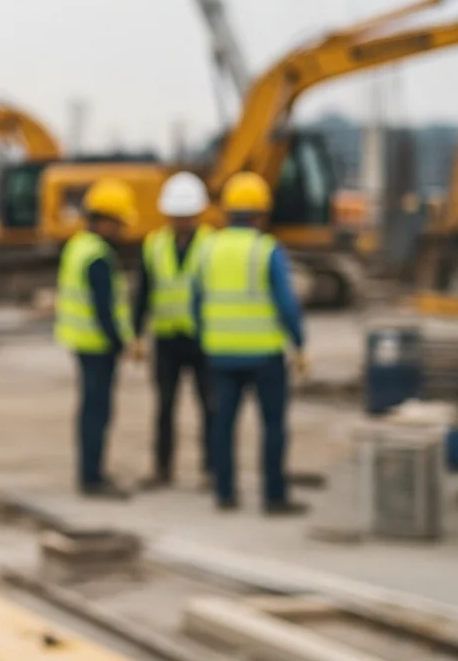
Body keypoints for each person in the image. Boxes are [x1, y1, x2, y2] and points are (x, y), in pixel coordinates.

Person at [194, 172, 310, 515]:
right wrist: (299, 344)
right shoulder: (266, 250)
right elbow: (286, 304)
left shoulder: (208, 249)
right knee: (272, 426)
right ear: (261, 213)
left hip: (220, 354)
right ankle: (274, 496)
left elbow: (196, 301)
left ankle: (225, 492)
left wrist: (208, 338)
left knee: (223, 426)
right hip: (264, 355)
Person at [55, 179, 138, 499]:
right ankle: (92, 477)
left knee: (90, 410)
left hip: (81, 342)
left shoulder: (78, 246)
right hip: (97, 345)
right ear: (104, 220)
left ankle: (90, 472)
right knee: (97, 412)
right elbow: (104, 308)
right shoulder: (98, 256)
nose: (120, 230)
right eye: (117, 223)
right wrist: (121, 344)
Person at [132, 172, 215, 490]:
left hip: (201, 338)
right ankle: (162, 468)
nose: (182, 222)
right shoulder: (154, 245)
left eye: (187, 216)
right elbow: (143, 291)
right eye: (177, 217)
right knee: (165, 407)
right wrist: (137, 333)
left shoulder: (211, 244)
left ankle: (210, 468)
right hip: (166, 339)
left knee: (209, 406)